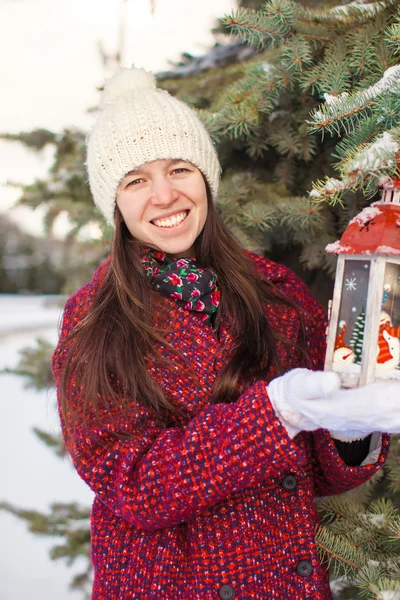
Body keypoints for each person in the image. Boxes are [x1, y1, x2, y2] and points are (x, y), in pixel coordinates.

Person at [52, 67, 400, 600]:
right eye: (136, 180)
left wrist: (350, 429)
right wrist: (275, 412)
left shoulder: (274, 291)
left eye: (179, 169)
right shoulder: (94, 323)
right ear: (115, 202)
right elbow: (134, 485)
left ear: (206, 177)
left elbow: (319, 473)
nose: (164, 195)